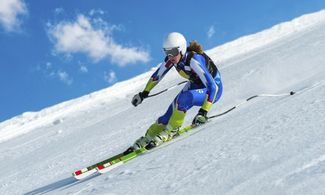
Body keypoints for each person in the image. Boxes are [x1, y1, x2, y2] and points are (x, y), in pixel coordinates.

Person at [126, 32, 223, 153]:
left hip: (213, 91)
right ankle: (147, 137)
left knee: (184, 98)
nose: (170, 56)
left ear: (181, 50)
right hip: (194, 86)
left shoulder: (194, 60)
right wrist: (143, 93)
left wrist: (203, 112)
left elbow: (213, 86)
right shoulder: (171, 60)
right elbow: (157, 76)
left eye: (173, 52)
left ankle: (172, 130)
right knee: (167, 115)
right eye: (167, 52)